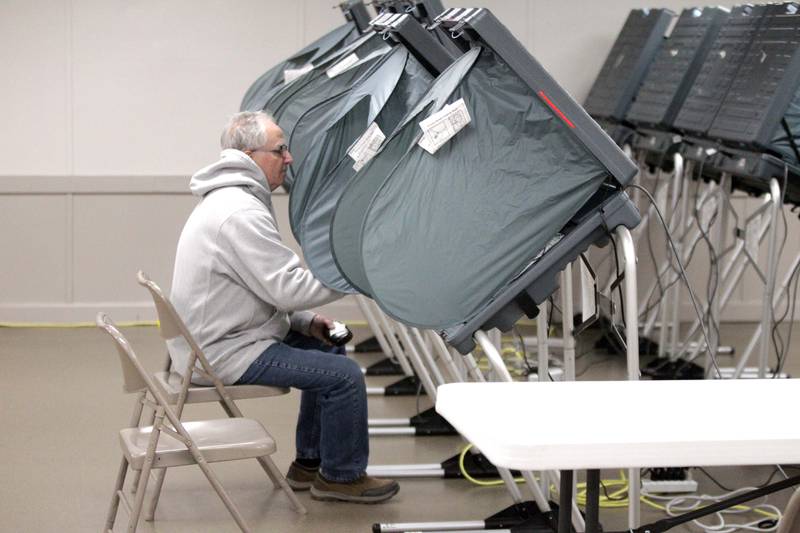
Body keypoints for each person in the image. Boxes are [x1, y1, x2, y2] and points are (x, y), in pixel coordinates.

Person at [168, 110, 399, 504]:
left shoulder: (233, 199)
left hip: (225, 334)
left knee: (330, 342)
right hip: (223, 352)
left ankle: (310, 463)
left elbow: (259, 288)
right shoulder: (239, 212)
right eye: (280, 149)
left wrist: (307, 323)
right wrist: (357, 277)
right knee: (344, 376)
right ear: (250, 155)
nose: (289, 158)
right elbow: (287, 288)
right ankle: (342, 478)